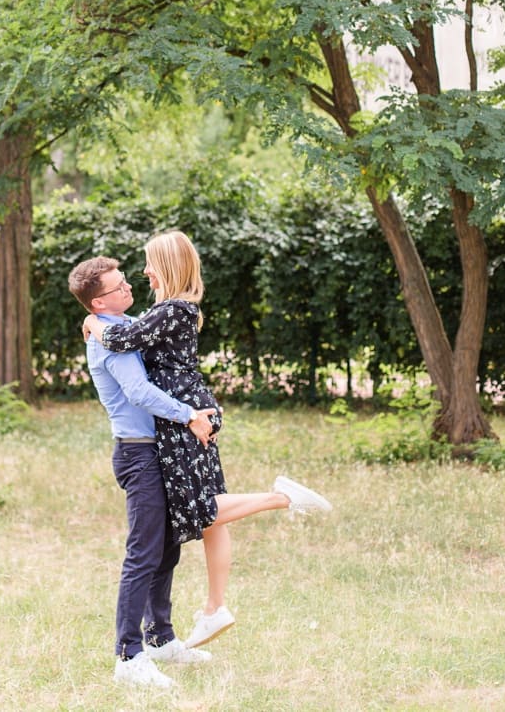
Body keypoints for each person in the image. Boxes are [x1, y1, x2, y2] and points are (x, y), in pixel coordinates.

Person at [83, 230, 333, 649]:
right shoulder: (168, 310)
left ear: (166, 267)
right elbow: (133, 337)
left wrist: (93, 322)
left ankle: (280, 498)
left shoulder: (172, 310)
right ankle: (214, 608)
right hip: (191, 414)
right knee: (209, 514)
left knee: (199, 508)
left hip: (187, 418)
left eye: (148, 263)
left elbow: (125, 341)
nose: (143, 272)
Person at [71, 255, 218, 689]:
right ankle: (128, 655)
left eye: (126, 282)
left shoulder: (120, 326)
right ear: (98, 302)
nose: (128, 289)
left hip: (159, 451)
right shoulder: (105, 338)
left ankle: (160, 638)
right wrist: (189, 414)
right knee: (143, 553)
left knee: (168, 547)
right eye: (118, 288)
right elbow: (138, 391)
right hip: (138, 454)